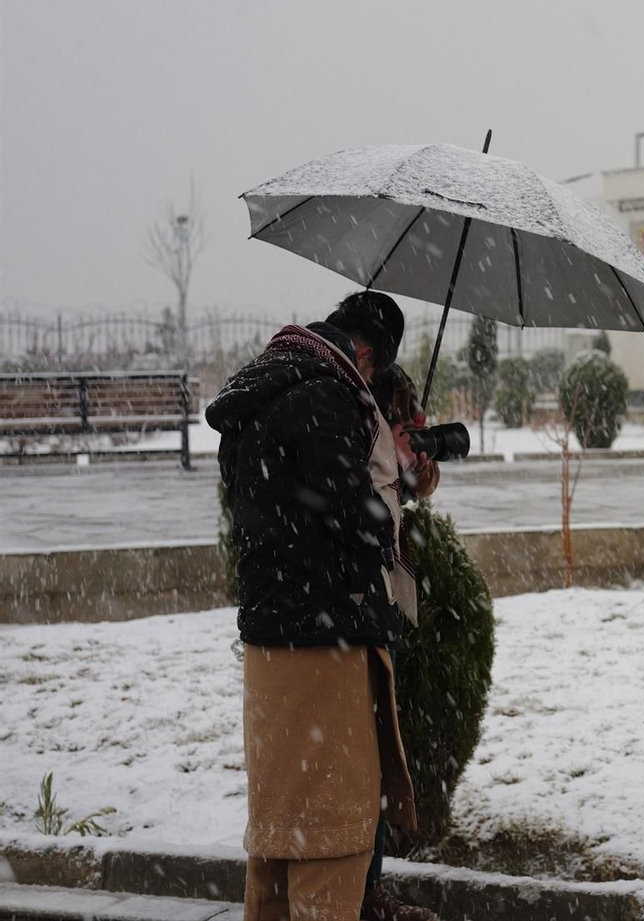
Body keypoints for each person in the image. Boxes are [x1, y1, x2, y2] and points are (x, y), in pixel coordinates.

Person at [207, 291, 417, 921]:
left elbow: (279, 506)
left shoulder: (266, 386)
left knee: (277, 842)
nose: (372, 385)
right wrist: (395, 486)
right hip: (324, 645)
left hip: (272, 642)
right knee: (331, 839)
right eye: (376, 374)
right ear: (368, 353)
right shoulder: (326, 394)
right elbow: (352, 522)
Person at [360, 365, 439, 921]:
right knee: (364, 751)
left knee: (381, 746)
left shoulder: (390, 389)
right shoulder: (341, 397)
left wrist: (416, 473)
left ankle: (370, 887)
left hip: (385, 591)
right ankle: (359, 891)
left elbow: (401, 493)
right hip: (356, 593)